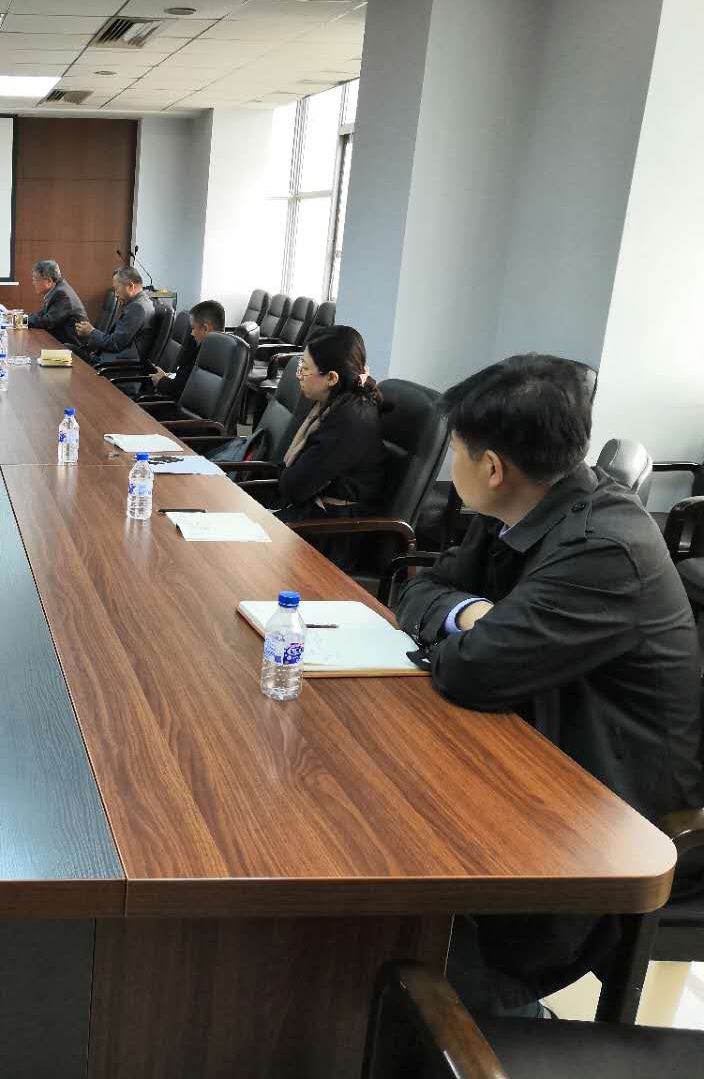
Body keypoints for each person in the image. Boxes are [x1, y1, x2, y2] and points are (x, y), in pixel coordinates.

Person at [394, 353, 703, 1019]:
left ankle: (497, 1026)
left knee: (412, 935)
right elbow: (417, 591)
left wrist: (468, 634)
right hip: (543, 745)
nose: (451, 463)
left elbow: (469, 672)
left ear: (491, 467)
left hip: (612, 809)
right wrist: (470, 615)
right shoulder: (520, 506)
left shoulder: (602, 548)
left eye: (456, 450)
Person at [273, 325, 385, 525]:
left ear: (332, 378)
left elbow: (294, 487)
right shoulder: (334, 402)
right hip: (314, 512)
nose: (299, 375)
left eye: (305, 369)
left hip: (332, 527)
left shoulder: (348, 421)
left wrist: (287, 476)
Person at [73, 266, 154, 366]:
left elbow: (115, 343)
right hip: (111, 359)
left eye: (116, 289)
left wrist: (91, 331)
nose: (115, 294)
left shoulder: (137, 308)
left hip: (116, 366)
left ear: (130, 286)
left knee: (69, 350)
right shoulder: (143, 302)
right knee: (69, 349)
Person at [150, 300, 225, 401]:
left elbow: (180, 390)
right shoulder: (222, 351)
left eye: (193, 328)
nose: (192, 333)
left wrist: (161, 381)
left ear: (205, 328)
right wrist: (166, 377)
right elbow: (185, 380)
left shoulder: (205, 355)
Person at [26, 259, 86, 345]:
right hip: (61, 341)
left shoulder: (61, 294)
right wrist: (21, 318)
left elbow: (47, 321)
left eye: (36, 279)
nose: (33, 283)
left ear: (49, 281)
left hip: (73, 346)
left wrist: (21, 320)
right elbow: (42, 314)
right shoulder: (57, 289)